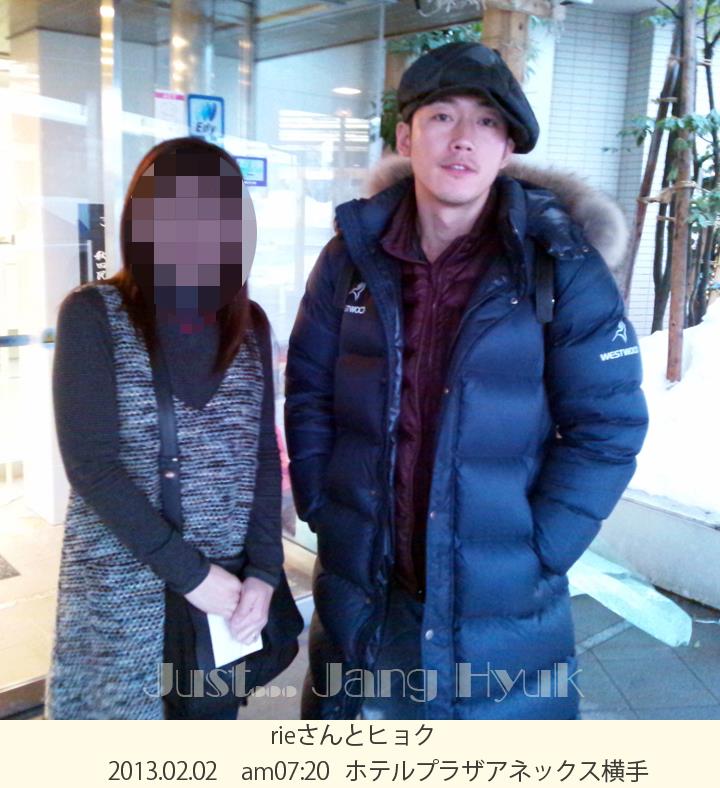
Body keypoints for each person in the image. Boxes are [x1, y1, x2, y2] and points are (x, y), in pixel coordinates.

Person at [284, 42, 649, 720]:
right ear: (406, 137)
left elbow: (609, 424)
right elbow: (309, 389)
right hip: (366, 583)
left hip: (500, 600)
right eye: (442, 117)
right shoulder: (351, 257)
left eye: (486, 121)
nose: (463, 139)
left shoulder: (560, 264)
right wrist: (323, 506)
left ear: (507, 147)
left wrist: (541, 548)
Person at [47, 137, 287, 719]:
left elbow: (261, 456)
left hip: (226, 594)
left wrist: (265, 570)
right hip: (122, 590)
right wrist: (191, 574)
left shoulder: (249, 325)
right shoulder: (94, 314)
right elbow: (92, 468)